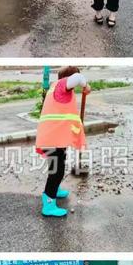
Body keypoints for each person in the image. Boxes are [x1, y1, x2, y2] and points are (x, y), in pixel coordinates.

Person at [35, 66, 91, 217]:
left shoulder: (57, 90)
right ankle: (48, 203)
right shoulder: (61, 86)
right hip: (52, 139)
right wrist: (86, 86)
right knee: (57, 170)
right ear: (68, 78)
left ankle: (55, 190)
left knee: (58, 166)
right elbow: (79, 79)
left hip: (54, 137)